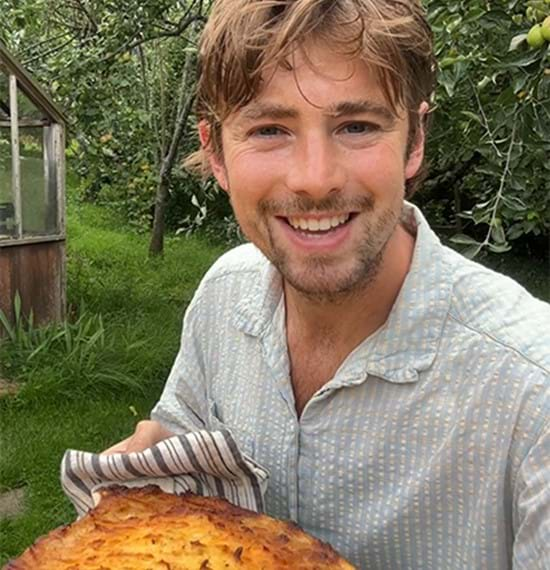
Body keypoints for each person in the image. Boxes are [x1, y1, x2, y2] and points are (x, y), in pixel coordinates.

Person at [104, 1, 550, 568]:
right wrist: (152, 459)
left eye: (356, 126)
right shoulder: (223, 295)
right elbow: (181, 439)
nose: (315, 180)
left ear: (414, 140)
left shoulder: (534, 397)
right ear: (216, 152)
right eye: (270, 130)